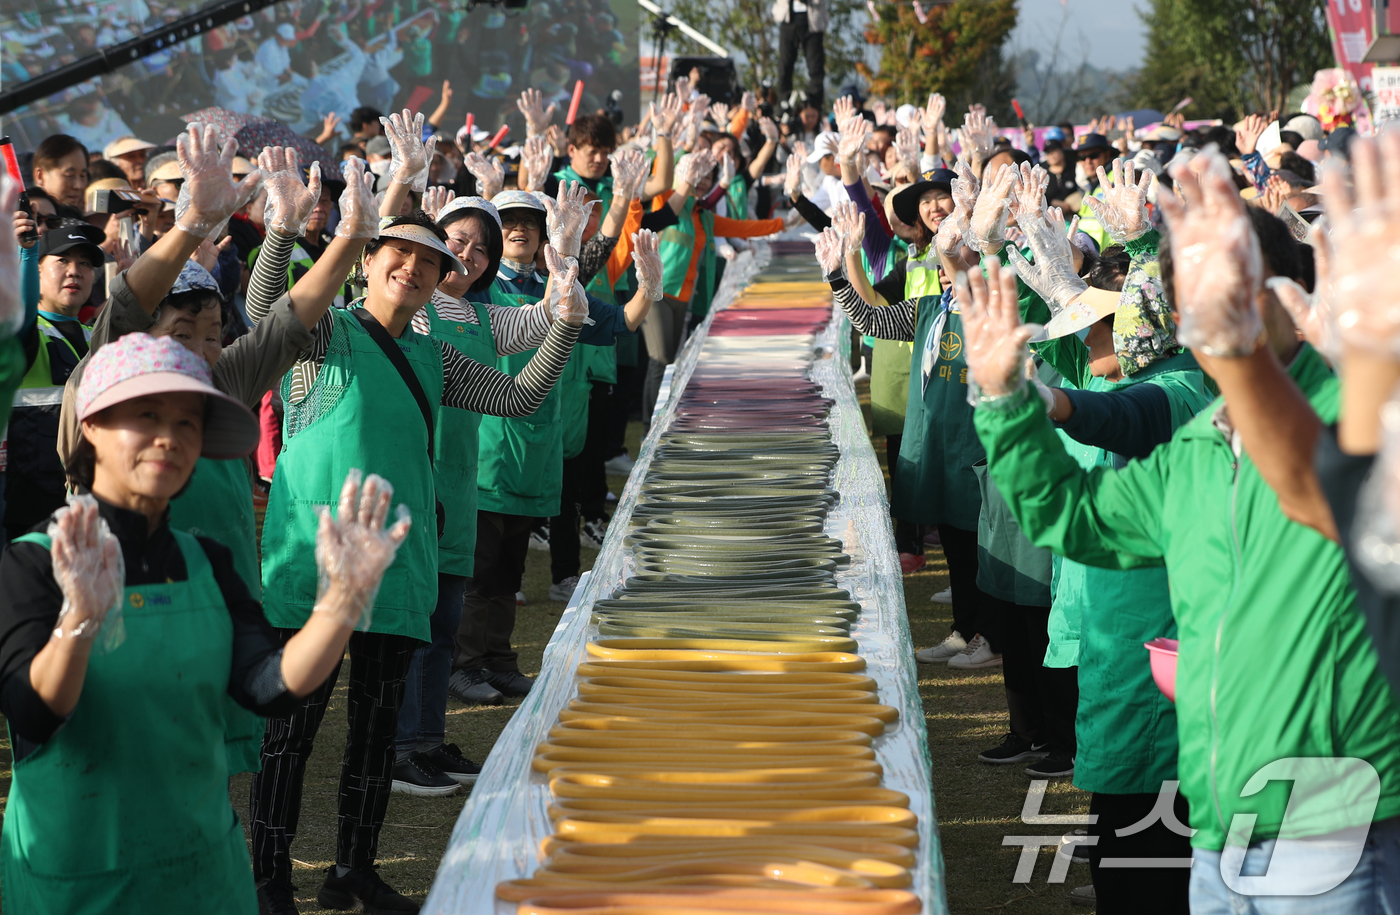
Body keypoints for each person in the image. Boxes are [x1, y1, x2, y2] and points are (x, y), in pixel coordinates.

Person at [961, 147, 1400, 914]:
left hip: (1333, 809)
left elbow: (1321, 491)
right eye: (1186, 290)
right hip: (1219, 805)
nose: (1203, 306)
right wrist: (1003, 403)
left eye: (1223, 282)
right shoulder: (1201, 440)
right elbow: (1078, 518)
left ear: (1282, 292)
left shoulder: (1358, 423)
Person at [250, 183, 586, 913]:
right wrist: (280, 230)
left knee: (374, 732)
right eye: (397, 253)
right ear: (367, 262)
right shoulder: (325, 332)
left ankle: (353, 870)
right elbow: (262, 311)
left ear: (442, 280)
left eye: (426, 261)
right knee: (291, 732)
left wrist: (562, 322)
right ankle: (268, 877)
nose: (412, 267)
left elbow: (518, 397)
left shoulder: (437, 358)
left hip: (397, 569)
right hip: (309, 564)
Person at [0, 328, 410, 915]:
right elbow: (34, 712)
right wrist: (80, 619)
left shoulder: (206, 561)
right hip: (81, 874)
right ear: (90, 426)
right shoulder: (34, 563)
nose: (169, 438)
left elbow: (268, 686)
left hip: (205, 872)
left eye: (188, 422)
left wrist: (340, 603)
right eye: (146, 414)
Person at [449, 184, 658, 706]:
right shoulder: (474, 292)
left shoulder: (560, 286)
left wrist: (648, 290)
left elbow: (621, 322)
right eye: (509, 223)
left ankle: (498, 660)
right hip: (489, 450)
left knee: (512, 567)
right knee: (481, 567)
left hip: (540, 452)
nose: (519, 230)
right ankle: (463, 664)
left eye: (530, 222)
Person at [6, 221, 105, 541]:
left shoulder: (97, 340)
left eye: (85, 263)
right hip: (29, 516)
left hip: (91, 504)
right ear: (35, 271)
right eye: (62, 260)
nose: (75, 271)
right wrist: (26, 251)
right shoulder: (21, 333)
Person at [772, 0, 826, 111]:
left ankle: (814, 106)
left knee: (816, 67)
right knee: (784, 65)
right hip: (788, 20)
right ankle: (783, 102)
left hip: (812, 22)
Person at [31, 134, 90, 212]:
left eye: (82, 176)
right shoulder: (24, 220)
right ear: (40, 176)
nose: (79, 186)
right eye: (70, 175)